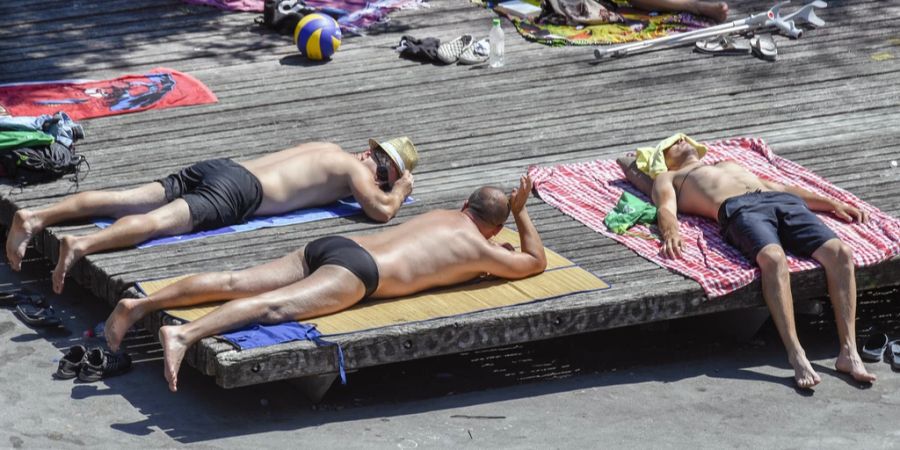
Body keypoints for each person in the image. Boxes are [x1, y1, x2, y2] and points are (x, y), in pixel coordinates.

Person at [103, 176, 546, 392]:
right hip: (359, 275)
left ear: (465, 204)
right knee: (271, 307)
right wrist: (522, 211)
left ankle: (141, 305)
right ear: (494, 228)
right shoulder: (479, 247)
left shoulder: (444, 217)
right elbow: (534, 262)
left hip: (337, 244)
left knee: (236, 281)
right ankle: (182, 333)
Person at [6, 137, 419, 294]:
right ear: (371, 157)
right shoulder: (353, 170)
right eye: (382, 171)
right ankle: (81, 244)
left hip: (222, 166)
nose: (378, 179)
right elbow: (381, 213)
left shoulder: (329, 148)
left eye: (384, 177)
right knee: (155, 224)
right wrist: (400, 188)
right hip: (240, 191)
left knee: (125, 198)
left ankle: (37, 216)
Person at [646, 135, 875, 388]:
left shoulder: (727, 163)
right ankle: (796, 353)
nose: (681, 142)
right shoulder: (670, 178)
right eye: (672, 145)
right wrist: (671, 232)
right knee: (773, 258)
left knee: (841, 253)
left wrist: (831, 203)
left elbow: (779, 187)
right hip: (740, 209)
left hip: (784, 202)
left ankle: (848, 351)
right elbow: (665, 208)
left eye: (683, 139)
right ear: (664, 161)